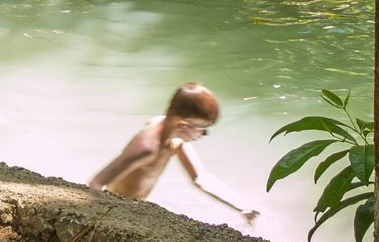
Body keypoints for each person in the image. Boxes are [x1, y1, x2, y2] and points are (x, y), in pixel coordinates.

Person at [88, 84, 258, 218]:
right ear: (182, 125)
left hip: (136, 206)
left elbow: (200, 178)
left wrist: (241, 207)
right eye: (202, 129)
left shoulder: (175, 139)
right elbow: (96, 182)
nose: (204, 135)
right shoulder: (147, 149)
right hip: (118, 209)